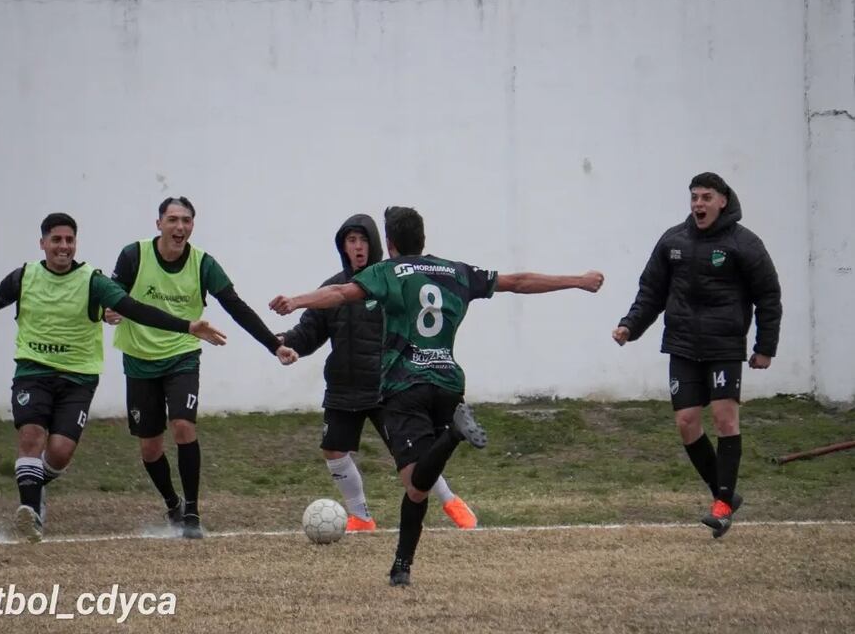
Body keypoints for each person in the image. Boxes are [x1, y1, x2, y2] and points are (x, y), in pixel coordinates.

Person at [271, 206, 604, 586]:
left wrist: (296, 301)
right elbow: (518, 281)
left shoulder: (386, 272)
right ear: (423, 239)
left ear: (390, 244)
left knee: (415, 483)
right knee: (418, 484)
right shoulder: (456, 271)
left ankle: (451, 439)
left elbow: (340, 291)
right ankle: (401, 568)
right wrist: (577, 280)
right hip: (448, 385)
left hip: (404, 388)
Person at [0, 213, 226, 543]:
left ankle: (35, 483)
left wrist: (187, 326)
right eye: (56, 240)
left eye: (69, 240)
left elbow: (134, 308)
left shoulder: (93, 282)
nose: (63, 247)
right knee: (30, 436)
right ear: (43, 244)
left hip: (78, 378)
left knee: (60, 452)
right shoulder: (23, 277)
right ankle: (31, 519)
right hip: (33, 371)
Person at [107, 196, 298, 539]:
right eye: (173, 220)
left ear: (192, 226)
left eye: (186, 221)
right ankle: (172, 504)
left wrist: (275, 345)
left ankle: (193, 512)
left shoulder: (203, 264)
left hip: (182, 355)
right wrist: (109, 312)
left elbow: (236, 307)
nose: (180, 227)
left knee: (183, 426)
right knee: (150, 448)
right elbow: (114, 296)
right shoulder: (133, 255)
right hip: (138, 359)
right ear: (159, 224)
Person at [278, 214, 477, 533]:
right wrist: (286, 344)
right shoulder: (332, 288)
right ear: (343, 246)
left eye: (363, 240)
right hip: (344, 388)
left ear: (375, 245)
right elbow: (310, 330)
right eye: (350, 241)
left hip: (387, 387)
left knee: (413, 465)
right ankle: (361, 516)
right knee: (333, 449)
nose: (357, 247)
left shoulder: (391, 283)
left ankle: (451, 502)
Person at [612, 172, 782, 538]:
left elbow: (768, 296)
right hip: (683, 344)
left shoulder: (744, 244)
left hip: (723, 345)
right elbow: (651, 291)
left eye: (706, 197)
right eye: (694, 198)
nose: (699, 204)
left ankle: (721, 508)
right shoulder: (673, 240)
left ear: (723, 200)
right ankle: (724, 494)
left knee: (725, 420)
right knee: (687, 423)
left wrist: (765, 347)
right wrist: (630, 326)